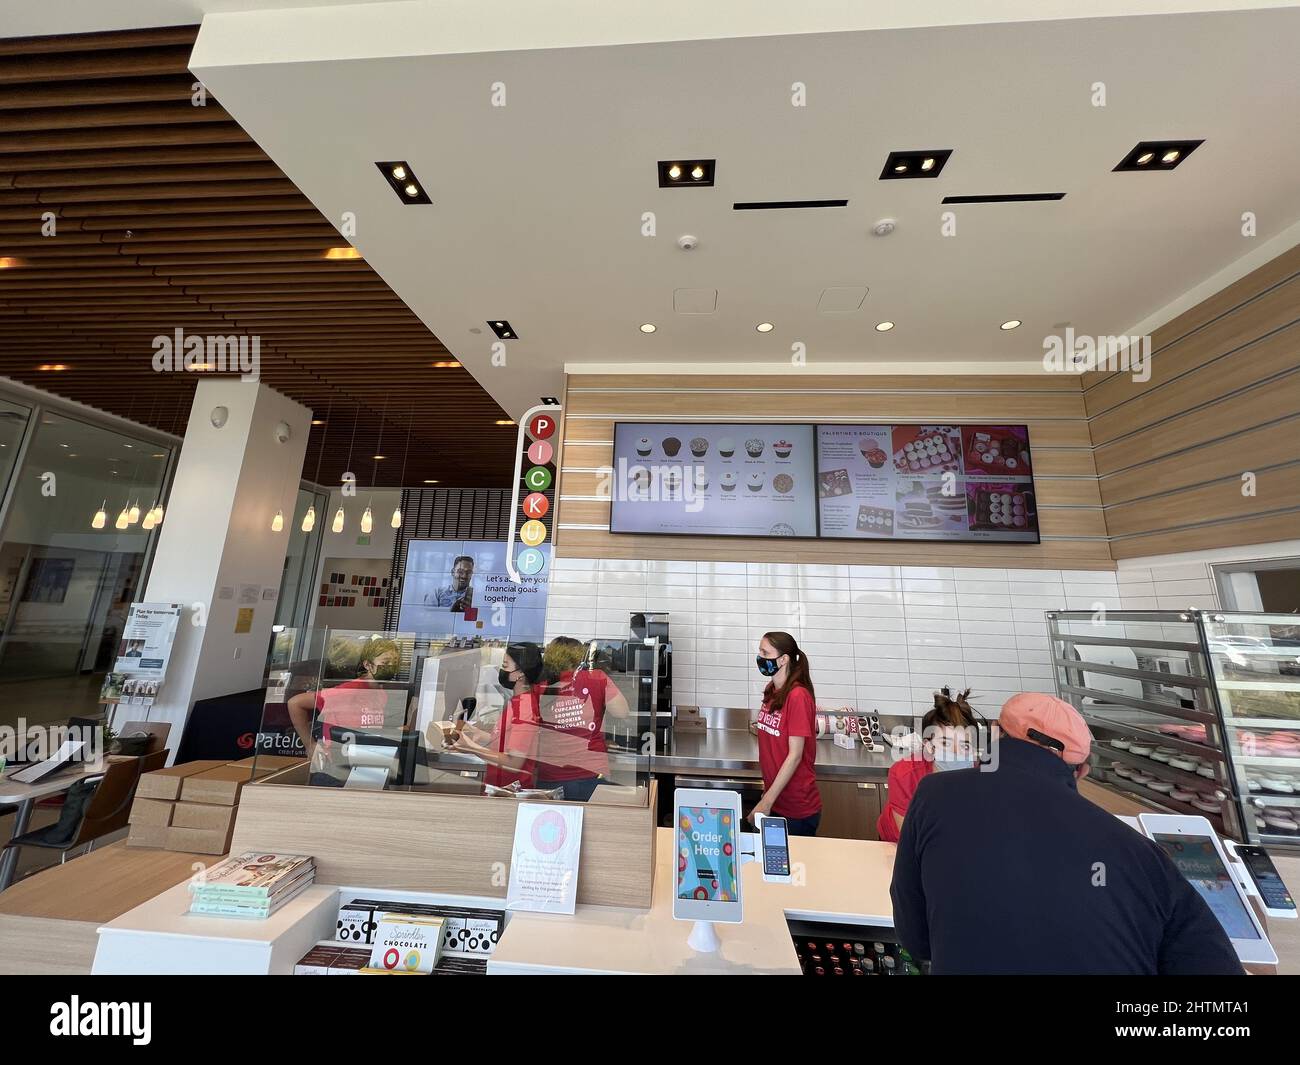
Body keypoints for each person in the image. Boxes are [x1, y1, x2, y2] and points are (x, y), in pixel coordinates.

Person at [890, 692, 1243, 975]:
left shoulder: (937, 795)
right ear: (1083, 771)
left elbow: (918, 940)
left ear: (994, 734)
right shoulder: (1143, 856)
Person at [286, 636, 401, 786]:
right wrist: (310, 745)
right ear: (368, 664)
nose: (390, 668)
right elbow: (295, 703)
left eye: (394, 664)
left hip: (366, 766)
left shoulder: (381, 694)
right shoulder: (349, 690)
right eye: (385, 663)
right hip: (335, 770)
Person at [533, 635, 630, 802]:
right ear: (579, 656)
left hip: (548, 778)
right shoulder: (596, 677)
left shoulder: (539, 686)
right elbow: (622, 711)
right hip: (591, 775)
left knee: (555, 826)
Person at [876, 687, 977, 844]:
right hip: (898, 842)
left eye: (965, 745)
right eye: (945, 743)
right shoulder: (905, 775)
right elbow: (909, 839)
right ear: (928, 746)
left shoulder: (980, 776)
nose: (957, 753)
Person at [751, 631, 821, 836]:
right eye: (760, 652)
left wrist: (766, 802)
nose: (760, 658)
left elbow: (795, 754)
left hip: (796, 809)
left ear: (783, 659)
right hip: (775, 801)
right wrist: (768, 796)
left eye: (765, 653)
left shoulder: (798, 696)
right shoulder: (771, 689)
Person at [451, 642, 543, 790]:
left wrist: (471, 747)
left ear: (521, 673)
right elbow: (509, 743)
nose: (501, 670)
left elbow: (514, 762)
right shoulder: (516, 702)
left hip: (509, 791)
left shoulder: (524, 708)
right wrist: (480, 735)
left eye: (505, 666)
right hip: (498, 788)